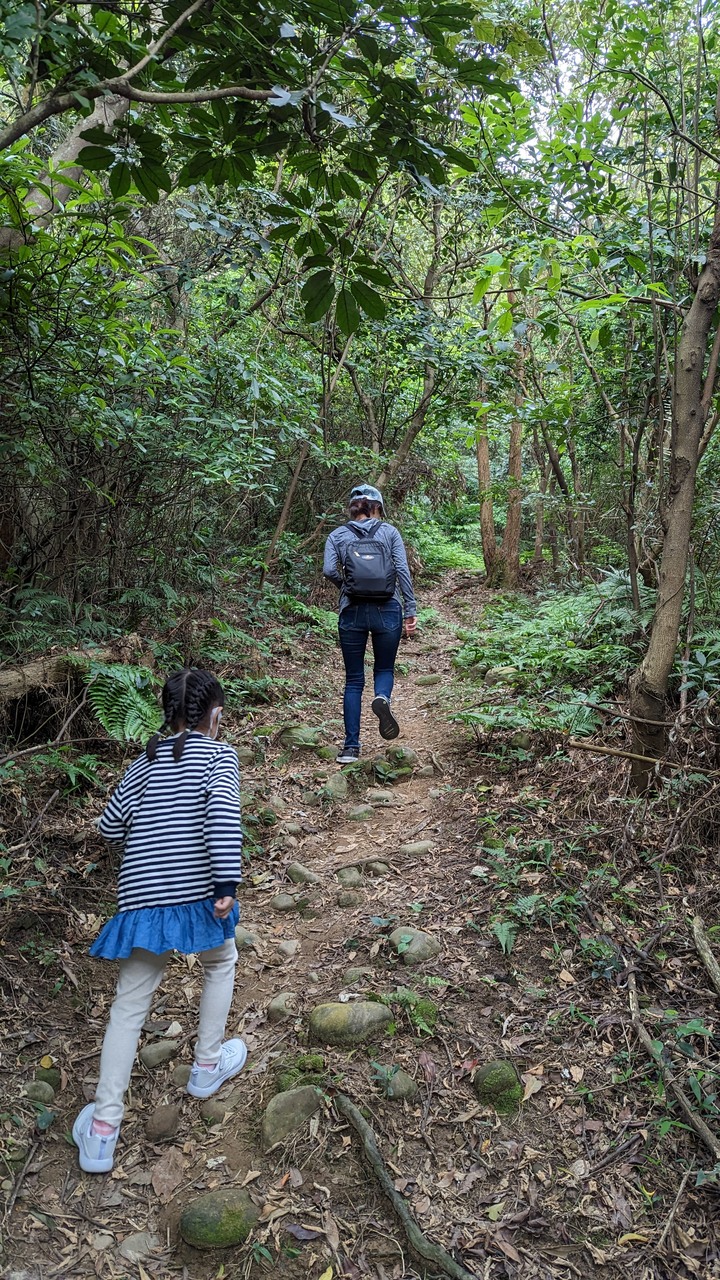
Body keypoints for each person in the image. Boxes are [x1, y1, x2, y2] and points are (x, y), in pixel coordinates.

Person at [72, 668, 245, 1174]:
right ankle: (207, 1066)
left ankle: (103, 1130)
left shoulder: (141, 764)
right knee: (221, 960)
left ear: (166, 714)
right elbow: (222, 818)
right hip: (197, 896)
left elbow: (108, 829)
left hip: (143, 902)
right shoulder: (219, 756)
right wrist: (226, 884)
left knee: (128, 1007)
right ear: (214, 715)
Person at [323, 484, 417, 764]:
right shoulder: (389, 532)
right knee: (384, 667)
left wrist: (346, 587)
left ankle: (350, 748)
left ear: (353, 508)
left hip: (351, 611)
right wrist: (410, 608)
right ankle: (382, 698)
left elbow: (329, 570)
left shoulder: (337, 535)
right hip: (387, 608)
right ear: (377, 507)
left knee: (353, 680)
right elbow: (402, 569)